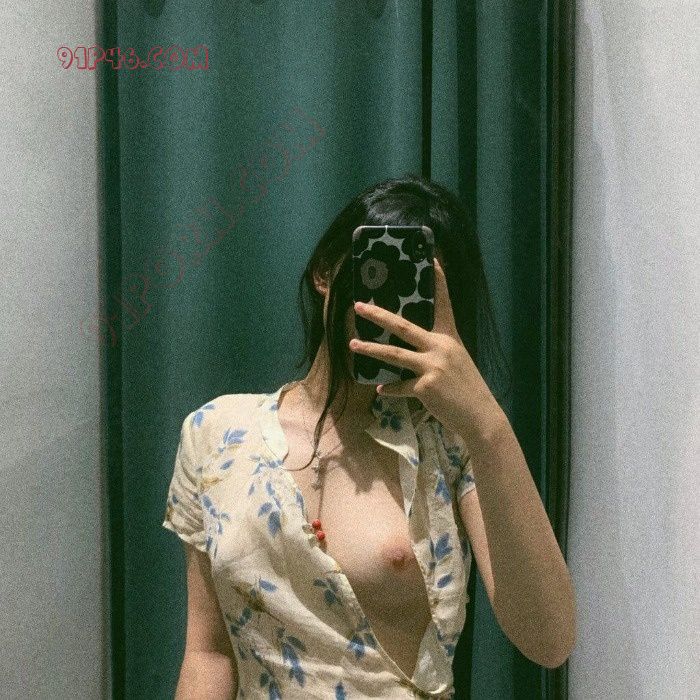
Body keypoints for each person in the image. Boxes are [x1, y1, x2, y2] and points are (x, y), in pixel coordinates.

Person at [162, 174, 577, 699]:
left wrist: (486, 422)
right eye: (378, 273)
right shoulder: (215, 434)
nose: (393, 307)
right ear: (325, 271)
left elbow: (550, 641)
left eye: (420, 291)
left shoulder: (450, 441)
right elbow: (209, 653)